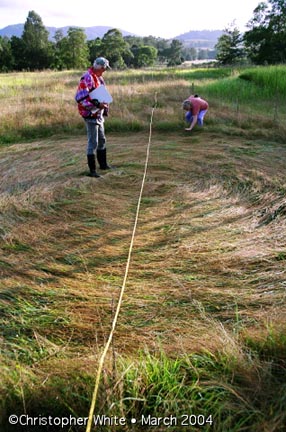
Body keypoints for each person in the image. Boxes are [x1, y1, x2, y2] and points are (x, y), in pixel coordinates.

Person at [75, 57, 112, 177]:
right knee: (93, 143)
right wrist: (97, 104)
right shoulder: (86, 77)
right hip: (90, 115)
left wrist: (104, 105)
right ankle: (92, 171)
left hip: (98, 114)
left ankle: (103, 165)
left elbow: (102, 93)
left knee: (102, 140)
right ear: (100, 67)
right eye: (104, 68)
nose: (105, 71)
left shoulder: (99, 78)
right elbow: (80, 98)